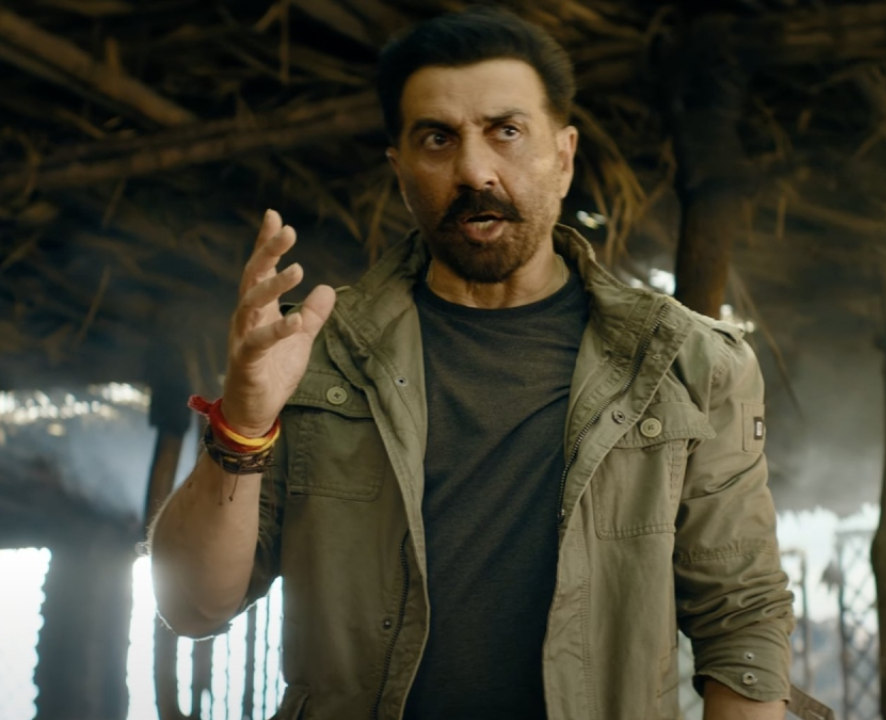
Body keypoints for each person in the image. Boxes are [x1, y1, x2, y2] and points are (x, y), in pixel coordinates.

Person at [148, 8, 794, 720]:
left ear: (563, 157)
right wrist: (242, 426)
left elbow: (742, 622)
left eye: (506, 131)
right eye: (437, 138)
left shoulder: (687, 363)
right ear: (400, 170)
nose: (474, 170)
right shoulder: (319, 354)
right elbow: (192, 606)